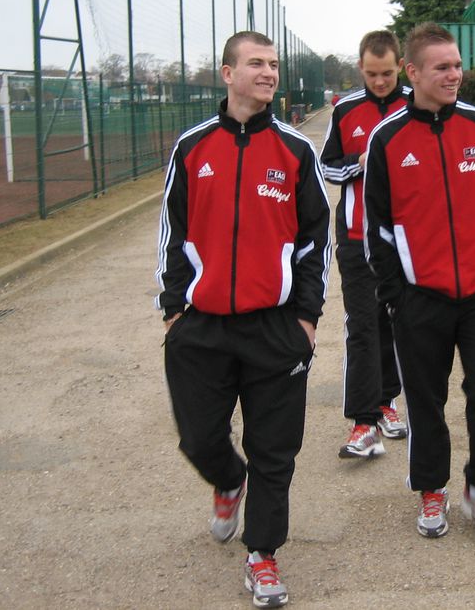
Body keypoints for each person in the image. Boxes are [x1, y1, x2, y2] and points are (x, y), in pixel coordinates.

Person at [155, 30, 331, 608]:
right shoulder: (192, 148)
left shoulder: (294, 151)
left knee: (275, 451)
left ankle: (263, 555)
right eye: (256, 63)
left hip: (275, 328)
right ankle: (228, 480)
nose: (268, 72)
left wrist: (306, 319)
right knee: (199, 437)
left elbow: (314, 241)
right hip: (202, 328)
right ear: (226, 73)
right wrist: (175, 308)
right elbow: (173, 234)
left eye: (274, 64)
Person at [362, 22, 475, 542]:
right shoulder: (387, 140)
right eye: (443, 67)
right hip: (419, 298)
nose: (455, 75)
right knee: (426, 400)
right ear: (413, 72)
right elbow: (377, 229)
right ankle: (432, 488)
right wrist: (397, 295)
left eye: (457, 65)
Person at [320, 30, 410, 458]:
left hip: (404, 242)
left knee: (395, 324)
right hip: (356, 238)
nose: (379, 82)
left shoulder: (415, 105)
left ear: (401, 65)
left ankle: (388, 402)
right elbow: (327, 168)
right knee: (361, 326)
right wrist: (357, 166)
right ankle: (362, 422)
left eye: (387, 73)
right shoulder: (345, 110)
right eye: (372, 74)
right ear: (360, 67)